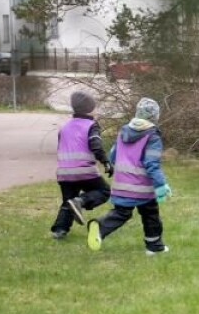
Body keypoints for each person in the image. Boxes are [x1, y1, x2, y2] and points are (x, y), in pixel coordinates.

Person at [87, 97, 174, 254]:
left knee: (121, 213)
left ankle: (100, 228)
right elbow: (151, 164)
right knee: (150, 214)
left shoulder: (124, 131)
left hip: (121, 184)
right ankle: (154, 247)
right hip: (142, 187)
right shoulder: (152, 136)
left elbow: (113, 155)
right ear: (155, 117)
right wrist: (161, 185)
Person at [50, 91, 113, 239]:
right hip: (85, 171)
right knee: (104, 191)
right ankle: (81, 201)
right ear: (90, 109)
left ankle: (59, 230)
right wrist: (106, 162)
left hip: (64, 172)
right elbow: (96, 145)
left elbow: (61, 147)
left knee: (68, 201)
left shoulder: (64, 127)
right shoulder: (91, 125)